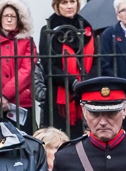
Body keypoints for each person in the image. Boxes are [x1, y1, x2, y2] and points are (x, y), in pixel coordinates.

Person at [39, 0, 97, 139]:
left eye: (73, 1)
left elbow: (96, 61)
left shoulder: (87, 28)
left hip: (84, 92)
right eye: (64, 2)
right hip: (58, 95)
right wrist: (72, 82)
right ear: (57, 6)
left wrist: (85, 82)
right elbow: (49, 66)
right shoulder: (49, 29)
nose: (70, 6)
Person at [0, 0, 37, 134]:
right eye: (6, 16)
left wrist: (5, 94)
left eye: (13, 16)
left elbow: (26, 71)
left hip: (21, 103)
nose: (9, 19)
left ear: (19, 19)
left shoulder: (27, 42)